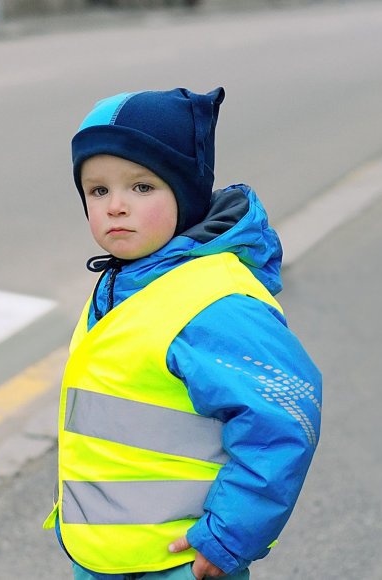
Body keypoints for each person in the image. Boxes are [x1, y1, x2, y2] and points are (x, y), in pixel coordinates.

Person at [43, 87, 322, 580]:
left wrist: (229, 537)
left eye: (142, 187)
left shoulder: (213, 302)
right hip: (104, 558)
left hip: (176, 562)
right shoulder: (122, 281)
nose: (116, 206)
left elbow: (282, 416)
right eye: (98, 190)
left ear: (186, 194)